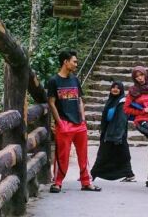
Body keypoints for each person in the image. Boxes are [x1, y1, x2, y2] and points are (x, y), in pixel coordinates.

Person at [46, 50, 101, 193]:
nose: (76, 64)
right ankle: (57, 182)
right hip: (64, 123)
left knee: (83, 154)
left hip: (79, 124)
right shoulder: (54, 81)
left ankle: (86, 182)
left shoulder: (75, 80)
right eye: (74, 61)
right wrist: (59, 122)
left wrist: (83, 119)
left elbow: (80, 100)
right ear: (65, 62)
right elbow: (51, 103)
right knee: (62, 155)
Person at [90, 81, 136, 182]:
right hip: (111, 132)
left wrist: (117, 136)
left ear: (121, 90)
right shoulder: (112, 100)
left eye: (118, 88)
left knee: (103, 154)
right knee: (122, 154)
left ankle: (92, 174)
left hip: (116, 135)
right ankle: (129, 173)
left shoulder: (122, 102)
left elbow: (121, 120)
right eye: (113, 87)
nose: (115, 89)